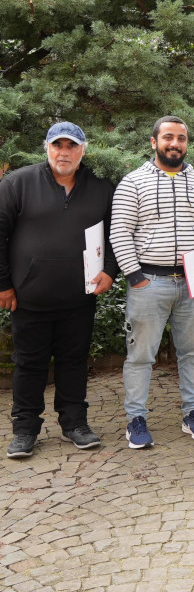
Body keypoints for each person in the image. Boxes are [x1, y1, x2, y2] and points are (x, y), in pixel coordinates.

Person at [111, 116, 194, 449]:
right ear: (154, 142)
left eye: (181, 138)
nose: (174, 143)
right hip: (148, 281)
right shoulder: (133, 182)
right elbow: (120, 231)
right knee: (140, 355)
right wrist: (135, 276)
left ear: (187, 143)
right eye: (167, 137)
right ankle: (136, 419)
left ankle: (193, 413)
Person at [1, 123, 117, 459]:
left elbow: (115, 234)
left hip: (79, 298)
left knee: (74, 362)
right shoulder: (17, 183)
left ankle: (74, 424)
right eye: (57, 145)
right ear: (46, 148)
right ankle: (24, 429)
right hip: (28, 298)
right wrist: (3, 284)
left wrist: (110, 271)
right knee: (29, 364)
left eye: (71, 146)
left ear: (83, 150)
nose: (63, 152)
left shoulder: (100, 188)